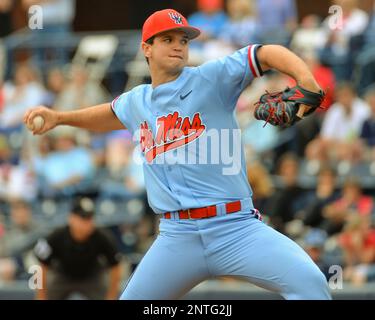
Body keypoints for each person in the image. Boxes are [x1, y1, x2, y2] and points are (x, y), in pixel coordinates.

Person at [24, 9, 331, 300]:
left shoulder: (211, 78)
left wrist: (306, 80)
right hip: (177, 236)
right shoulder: (137, 101)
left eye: (183, 40)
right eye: (167, 39)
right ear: (147, 48)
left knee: (311, 283)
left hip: (235, 228)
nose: (178, 46)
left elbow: (263, 53)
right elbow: (108, 114)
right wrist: (60, 118)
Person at [33, 197, 122, 300]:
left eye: (90, 218)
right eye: (83, 218)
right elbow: (41, 266)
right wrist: (41, 296)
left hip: (92, 277)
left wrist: (111, 297)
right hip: (62, 275)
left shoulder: (103, 237)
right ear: (71, 218)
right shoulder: (56, 236)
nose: (87, 223)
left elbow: (116, 266)